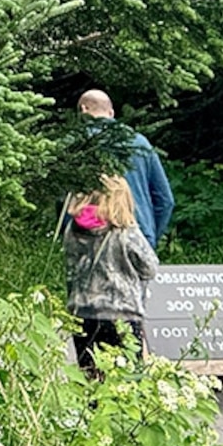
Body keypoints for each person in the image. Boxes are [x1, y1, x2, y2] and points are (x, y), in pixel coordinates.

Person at [57, 176, 158, 373]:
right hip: (122, 313)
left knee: (91, 374)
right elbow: (150, 267)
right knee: (126, 376)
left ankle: (92, 403)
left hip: (83, 312)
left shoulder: (73, 229)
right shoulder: (125, 231)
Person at [78, 90, 174, 252]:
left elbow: (66, 200)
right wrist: (150, 236)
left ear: (83, 110)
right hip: (139, 233)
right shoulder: (140, 143)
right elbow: (166, 200)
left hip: (91, 237)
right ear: (111, 113)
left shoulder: (78, 143)